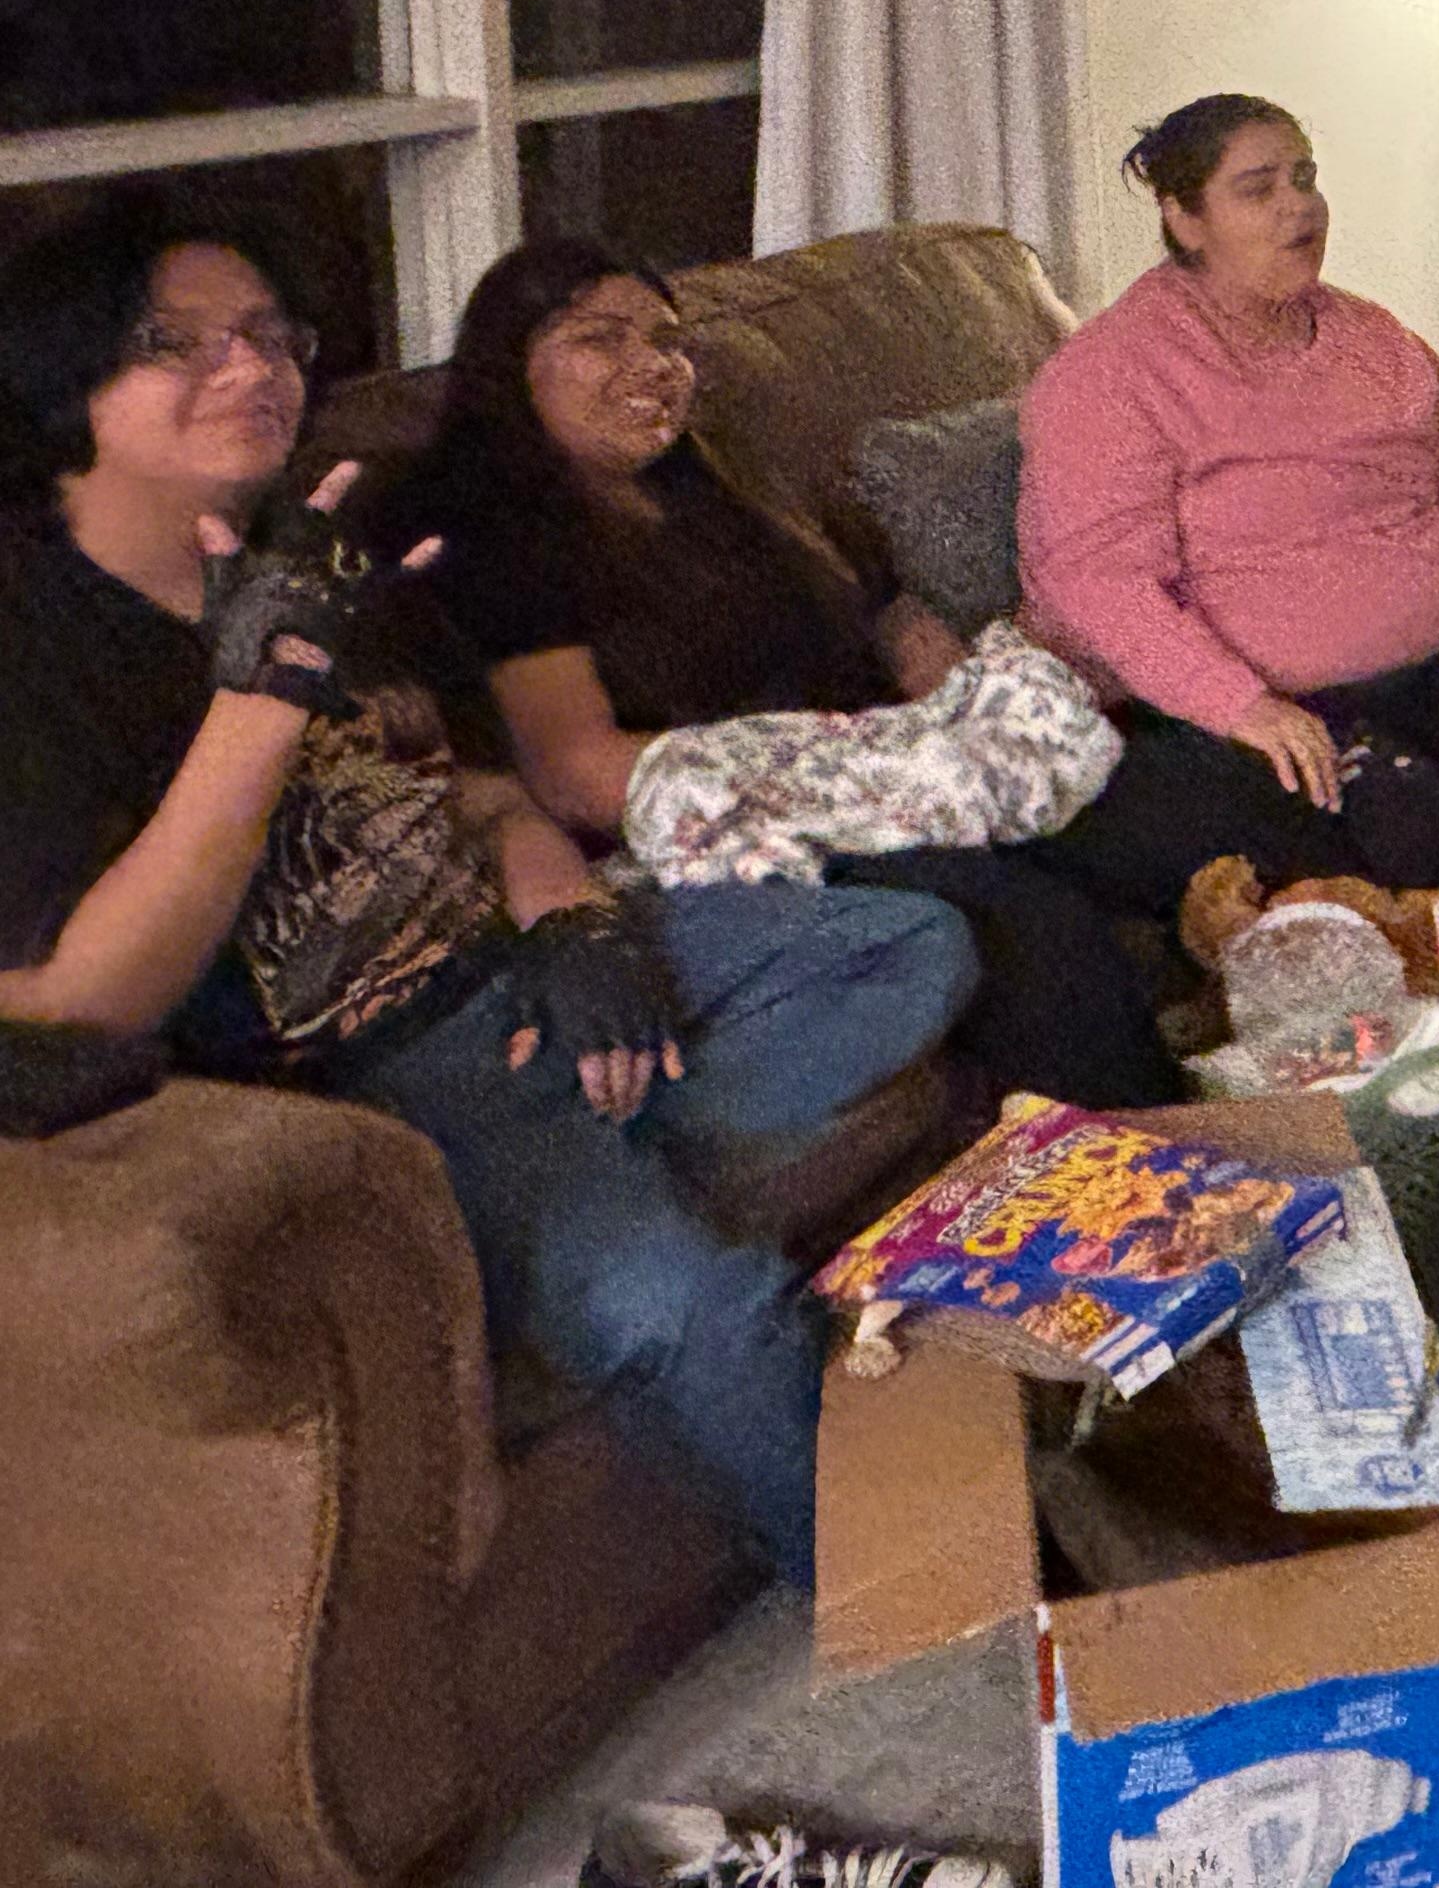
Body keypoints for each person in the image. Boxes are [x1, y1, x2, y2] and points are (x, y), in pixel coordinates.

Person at [0, 207, 974, 1583]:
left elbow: (481, 793)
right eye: (180, 342)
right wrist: (265, 692)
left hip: (511, 960)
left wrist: (570, 919)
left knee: (915, 943)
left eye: (272, 334)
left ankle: (596, 1139)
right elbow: (77, 1002)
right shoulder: (39, 643)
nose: (253, 367)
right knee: (705, 1307)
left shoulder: (296, 552)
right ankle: (928, 1605)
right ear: (68, 376)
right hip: (381, 1064)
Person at [389, 241, 1187, 1110]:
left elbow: (886, 612)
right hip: (744, 831)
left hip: (887, 761)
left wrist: (970, 729)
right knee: (1028, 925)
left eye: (666, 340)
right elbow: (578, 775)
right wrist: (869, 786)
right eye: (600, 339)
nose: (652, 365)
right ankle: (1154, 1166)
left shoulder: (709, 478)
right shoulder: (494, 541)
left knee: (1176, 800)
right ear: (509, 369)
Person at [1018, 94, 1439, 915]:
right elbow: (1102, 583)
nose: (1301, 207)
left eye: (1305, 178)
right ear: (1184, 219)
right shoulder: (1111, 374)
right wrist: (1242, 707)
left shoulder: (1376, 339)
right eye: (1258, 189)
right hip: (1283, 720)